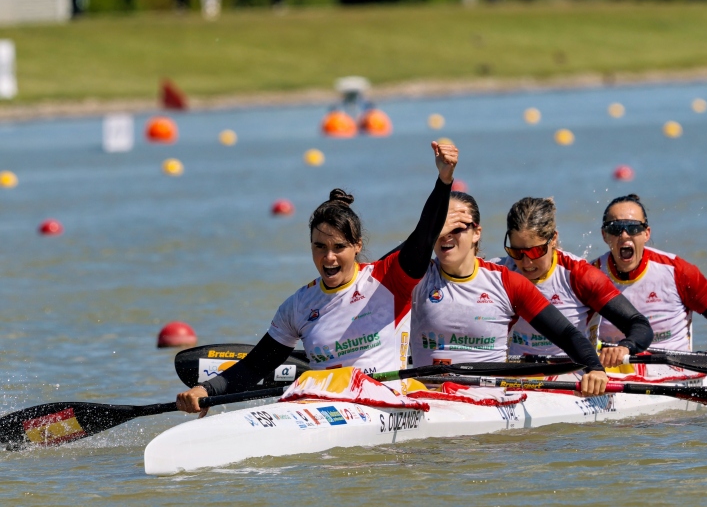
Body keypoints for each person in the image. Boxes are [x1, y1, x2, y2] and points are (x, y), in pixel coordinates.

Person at [177, 142, 458, 415]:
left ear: (357, 246)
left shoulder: (390, 279)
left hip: (385, 403)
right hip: (324, 407)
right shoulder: (298, 305)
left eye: (339, 247)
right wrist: (206, 390)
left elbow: (425, 233)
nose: (329, 258)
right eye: (319, 247)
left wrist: (444, 180)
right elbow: (255, 366)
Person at [410, 192, 611, 396]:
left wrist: (595, 369)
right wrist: (428, 229)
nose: (445, 234)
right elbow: (390, 266)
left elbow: (566, 334)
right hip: (428, 396)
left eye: (456, 228)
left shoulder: (507, 282)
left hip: (487, 399)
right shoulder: (414, 279)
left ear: (476, 233)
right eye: (439, 227)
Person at [590, 194, 707, 360]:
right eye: (615, 228)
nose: (624, 235)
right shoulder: (588, 276)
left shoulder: (678, 272)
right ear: (604, 235)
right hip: (613, 373)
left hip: (673, 372)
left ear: (646, 233)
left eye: (633, 228)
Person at [495, 197, 653, 368]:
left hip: (575, 375)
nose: (526, 263)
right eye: (516, 252)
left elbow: (638, 324)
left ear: (553, 239)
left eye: (535, 252)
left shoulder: (581, 276)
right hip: (519, 374)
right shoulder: (497, 273)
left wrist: (625, 347)